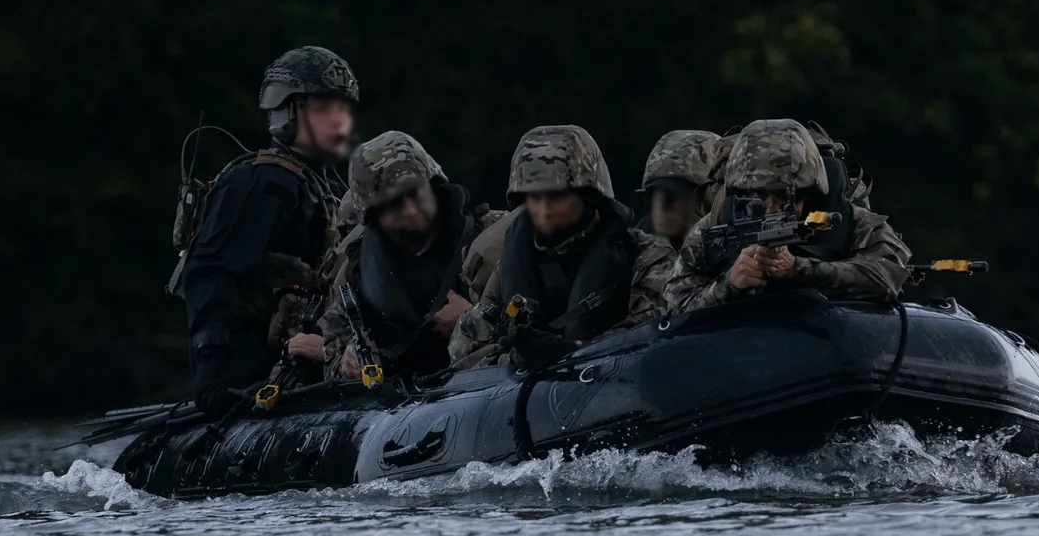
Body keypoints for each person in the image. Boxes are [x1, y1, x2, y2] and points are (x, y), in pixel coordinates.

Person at [177, 45, 357, 414]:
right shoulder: (261, 183)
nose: (339, 121)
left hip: (316, 355)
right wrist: (219, 378)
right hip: (254, 370)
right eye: (324, 108)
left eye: (343, 108)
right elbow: (209, 274)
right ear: (288, 112)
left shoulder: (332, 190)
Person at [449, 125, 674, 368]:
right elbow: (463, 351)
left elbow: (658, 333)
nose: (544, 210)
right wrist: (514, 358)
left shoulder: (644, 255)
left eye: (556, 196)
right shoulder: (512, 265)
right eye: (534, 197)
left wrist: (572, 352)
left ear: (588, 195)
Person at [665, 118, 909, 313]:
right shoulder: (714, 229)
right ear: (740, 194)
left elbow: (888, 277)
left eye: (784, 197)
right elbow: (675, 307)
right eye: (758, 197)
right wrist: (730, 283)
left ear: (809, 193)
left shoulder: (850, 222)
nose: (771, 208)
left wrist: (800, 269)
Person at [302, 131, 485, 384]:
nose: (410, 210)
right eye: (393, 203)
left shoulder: (488, 242)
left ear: (432, 184)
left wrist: (471, 318)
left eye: (415, 193)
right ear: (373, 214)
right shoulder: (355, 277)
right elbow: (333, 360)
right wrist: (347, 362)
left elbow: (535, 327)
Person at [637, 129, 725, 246]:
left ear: (706, 200)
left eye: (671, 197)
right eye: (652, 196)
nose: (660, 208)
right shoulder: (631, 248)